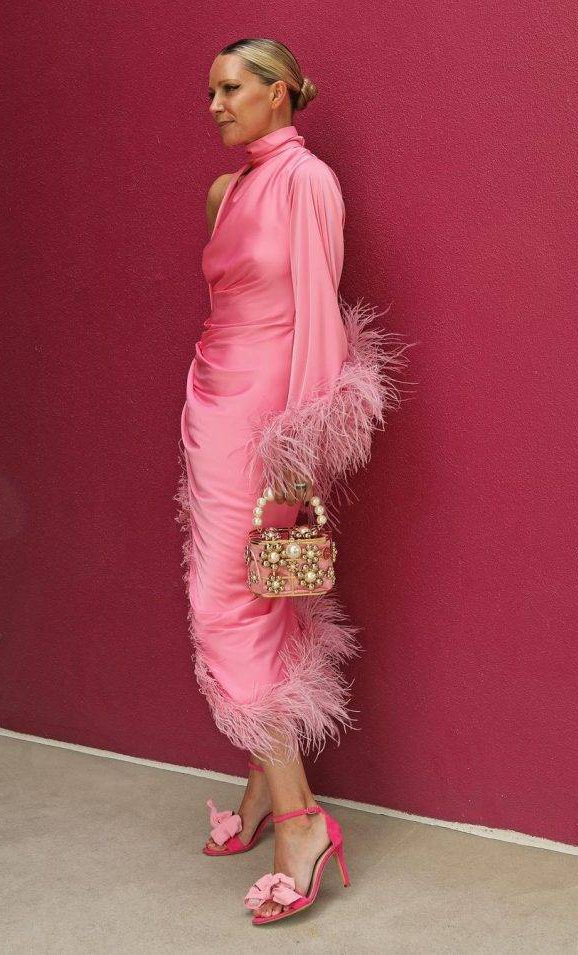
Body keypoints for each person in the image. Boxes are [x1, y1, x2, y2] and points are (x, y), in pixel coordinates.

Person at [175, 37, 413, 925]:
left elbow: (319, 314)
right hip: (211, 402)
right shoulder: (223, 192)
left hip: (268, 417)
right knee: (250, 598)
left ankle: (301, 820)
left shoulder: (307, 181)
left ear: (279, 93)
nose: (215, 104)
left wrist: (299, 442)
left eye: (232, 88)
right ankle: (261, 789)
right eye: (210, 91)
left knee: (229, 605)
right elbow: (223, 307)